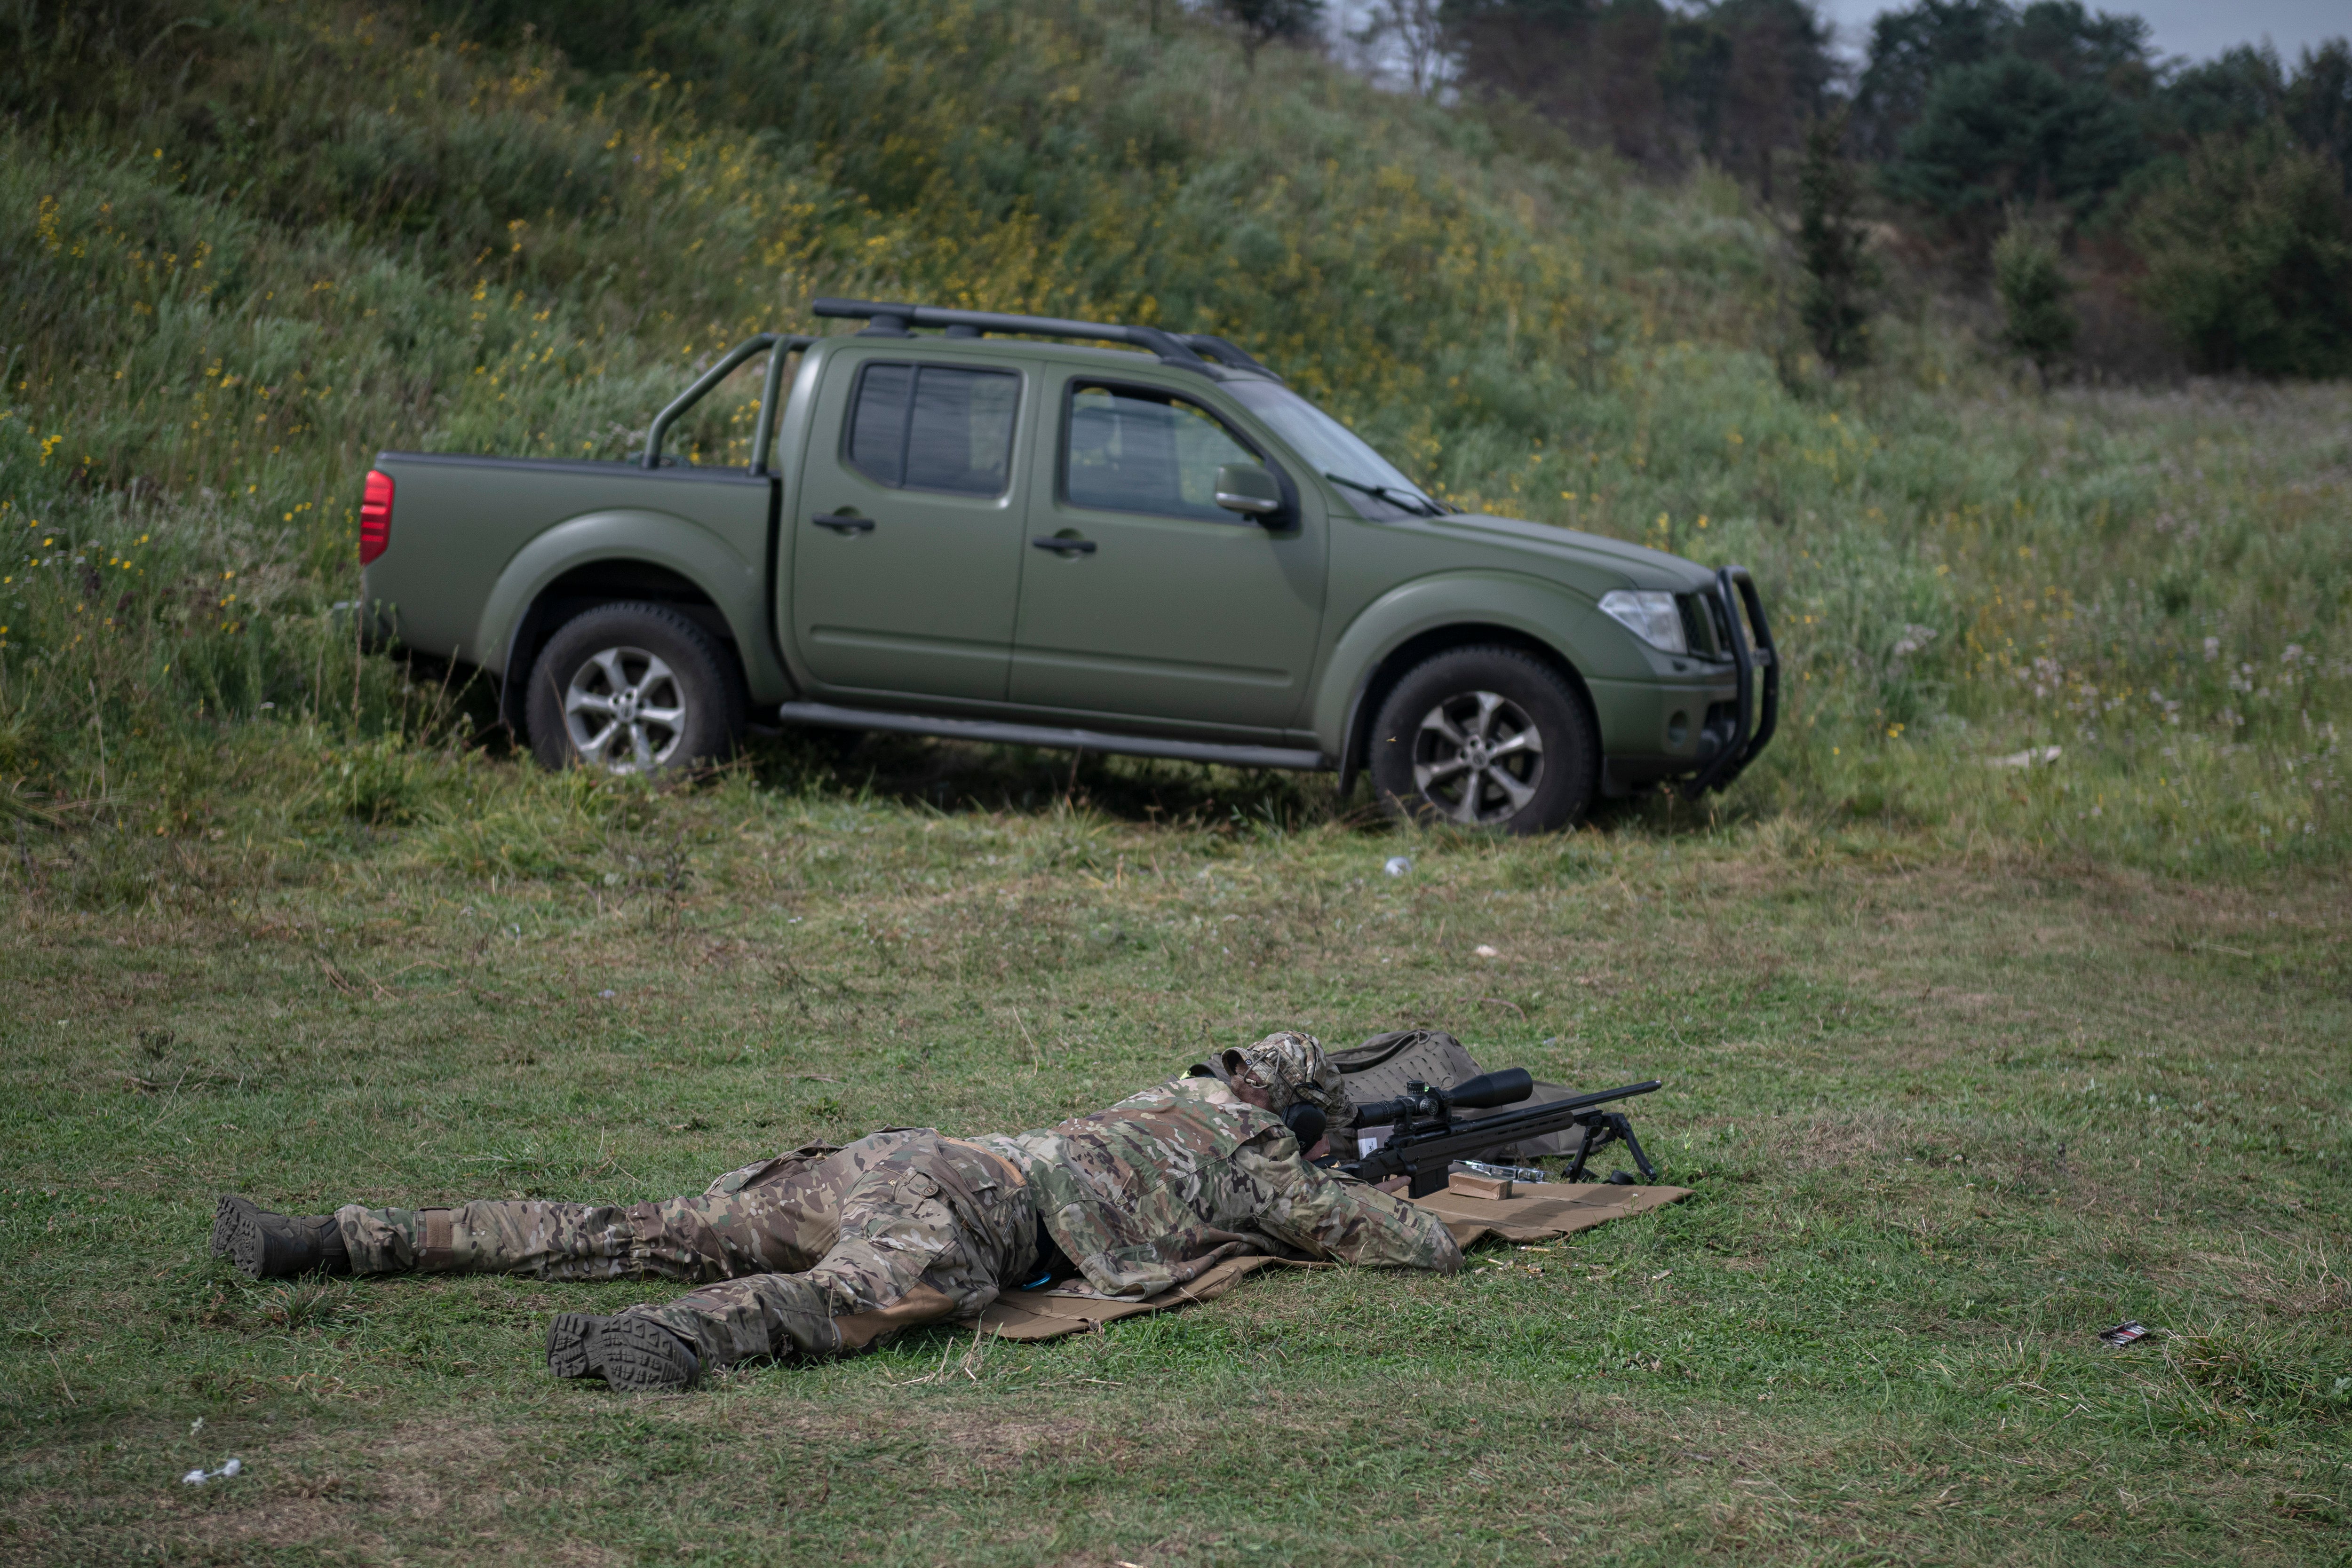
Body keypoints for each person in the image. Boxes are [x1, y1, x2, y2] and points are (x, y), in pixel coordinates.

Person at [211, 1031, 1462, 1391]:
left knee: (633, 1222)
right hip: (970, 1205)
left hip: (898, 1154)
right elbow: (1380, 1239)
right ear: (1286, 1108)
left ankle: (338, 1237)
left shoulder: (1166, 1097)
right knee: (863, 1302)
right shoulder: (1248, 1146)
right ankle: (685, 1340)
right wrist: (1417, 1213)